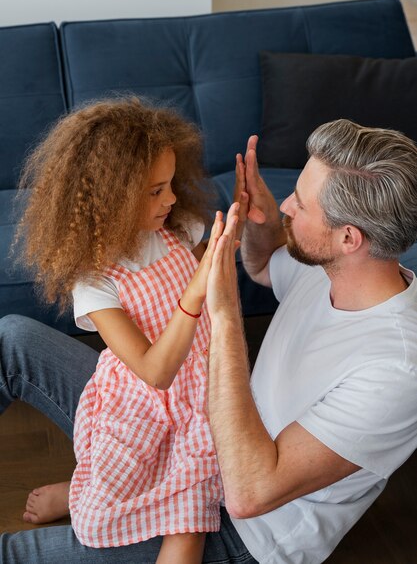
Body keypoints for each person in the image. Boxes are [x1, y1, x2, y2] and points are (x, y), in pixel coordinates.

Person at [1, 118, 417, 563]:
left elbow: (250, 493)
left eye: (302, 204)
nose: (287, 206)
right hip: (182, 413)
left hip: (242, 524)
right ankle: (107, 483)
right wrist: (261, 218)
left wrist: (217, 313)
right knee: (12, 337)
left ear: (349, 238)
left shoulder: (396, 369)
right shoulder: (333, 268)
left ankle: (124, 494)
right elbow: (264, 265)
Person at [7, 96, 228, 564]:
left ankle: (76, 492)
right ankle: (79, 494)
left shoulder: (177, 228)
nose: (170, 199)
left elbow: (213, 256)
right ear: (110, 198)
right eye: (154, 191)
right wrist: (193, 293)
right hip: (142, 406)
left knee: (189, 528)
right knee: (108, 501)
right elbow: (153, 371)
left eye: (170, 184)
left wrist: (243, 221)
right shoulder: (96, 279)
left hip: (199, 403)